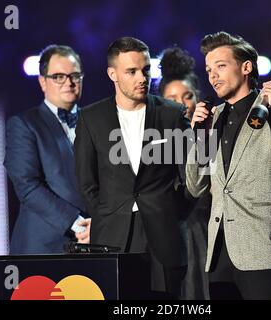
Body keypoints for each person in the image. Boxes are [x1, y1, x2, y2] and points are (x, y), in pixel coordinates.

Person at [186, 31, 271, 300]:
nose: (212, 75)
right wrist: (199, 137)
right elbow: (195, 186)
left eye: (221, 66)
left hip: (260, 250)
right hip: (219, 254)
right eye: (208, 69)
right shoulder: (212, 118)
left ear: (246, 67)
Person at [74, 37, 190, 299]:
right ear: (112, 73)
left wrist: (173, 212)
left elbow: (190, 177)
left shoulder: (172, 114)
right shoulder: (91, 118)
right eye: (132, 71)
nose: (142, 77)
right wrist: (107, 215)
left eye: (146, 70)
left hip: (164, 236)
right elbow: (86, 182)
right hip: (112, 236)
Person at [4, 45, 91, 254]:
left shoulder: (96, 122)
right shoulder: (23, 124)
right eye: (59, 76)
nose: (69, 83)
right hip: (44, 248)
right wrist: (78, 223)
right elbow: (27, 187)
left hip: (92, 244)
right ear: (43, 82)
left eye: (74, 75)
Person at [158, 47, 211, 300]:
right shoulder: (154, 142)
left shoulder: (209, 136)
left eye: (187, 95)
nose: (181, 103)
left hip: (204, 232)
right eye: (173, 96)